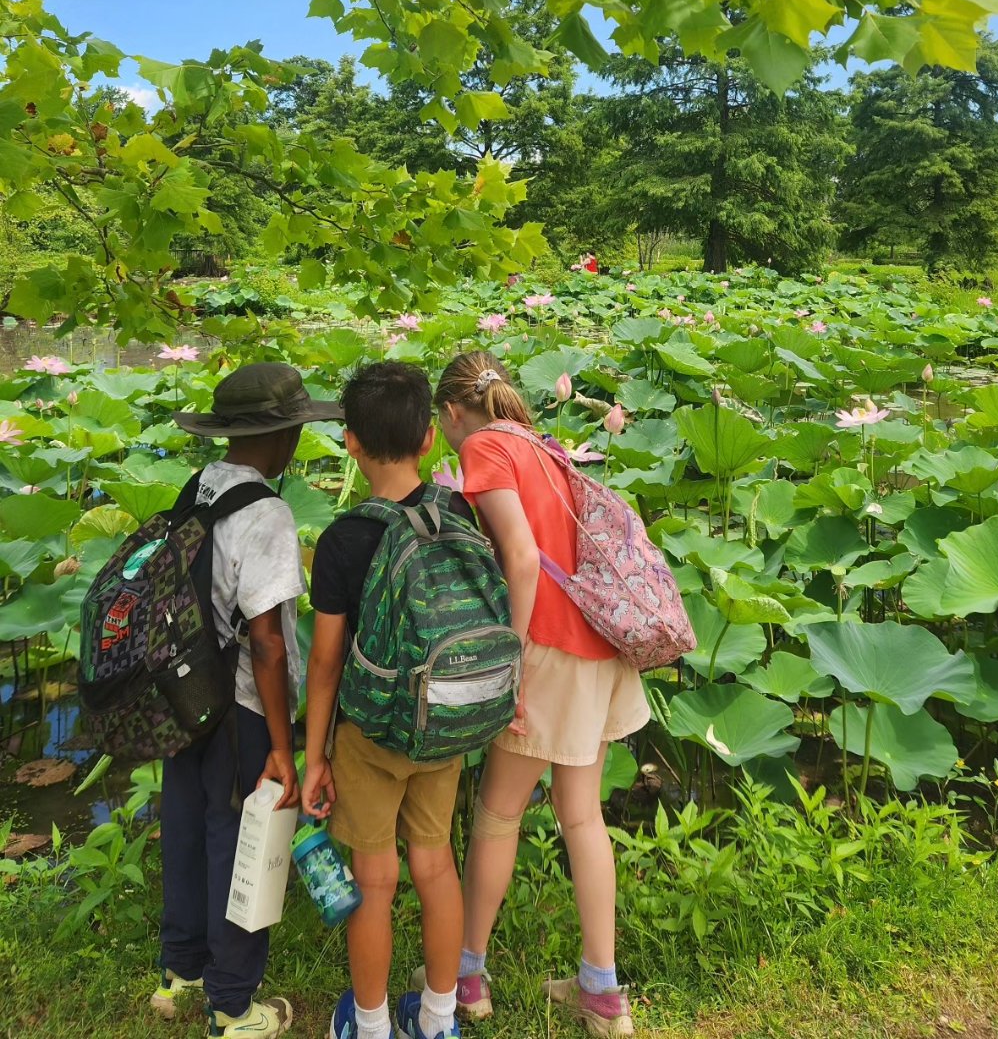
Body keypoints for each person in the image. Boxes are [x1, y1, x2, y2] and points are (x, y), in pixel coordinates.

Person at [429, 351, 649, 1038]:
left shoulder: (487, 448)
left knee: (497, 813)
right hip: (595, 644)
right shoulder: (540, 445)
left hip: (546, 647)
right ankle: (602, 992)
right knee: (581, 817)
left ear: (450, 413)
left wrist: (510, 662)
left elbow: (521, 559)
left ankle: (467, 978)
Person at [154, 362, 343, 1037]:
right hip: (240, 707)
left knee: (185, 820)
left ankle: (181, 969)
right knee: (239, 841)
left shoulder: (197, 487)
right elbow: (267, 641)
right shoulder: (266, 512)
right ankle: (234, 1007)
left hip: (183, 695)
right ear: (286, 434)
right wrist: (284, 747)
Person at [302, 361, 473, 1039]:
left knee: (374, 880)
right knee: (435, 867)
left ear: (349, 442)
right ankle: (437, 1021)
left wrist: (316, 756)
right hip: (444, 725)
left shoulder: (343, 540)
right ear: (430, 439)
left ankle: (370, 1026)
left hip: (370, 734)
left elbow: (324, 662)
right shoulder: (458, 513)